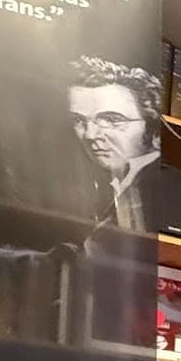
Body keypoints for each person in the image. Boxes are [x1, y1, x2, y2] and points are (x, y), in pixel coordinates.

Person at [66, 55, 161, 231]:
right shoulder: (104, 187)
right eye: (79, 121)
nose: (90, 135)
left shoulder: (158, 189)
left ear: (153, 127)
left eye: (111, 120)